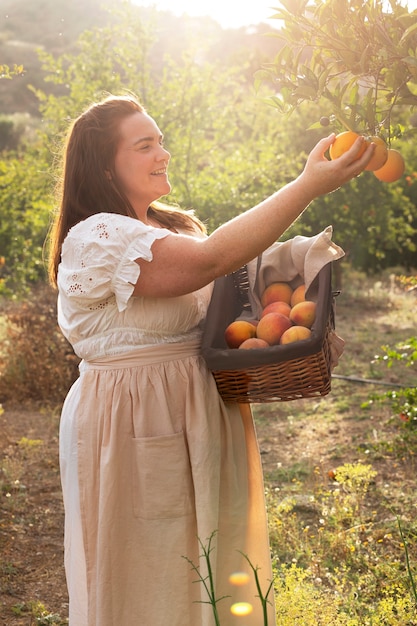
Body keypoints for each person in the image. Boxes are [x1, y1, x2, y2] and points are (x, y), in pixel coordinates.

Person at [48, 93, 374, 626]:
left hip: (201, 410)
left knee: (213, 565)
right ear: (105, 166)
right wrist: (308, 185)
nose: (163, 153)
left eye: (161, 140)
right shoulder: (97, 239)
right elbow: (212, 260)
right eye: (146, 145)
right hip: (133, 420)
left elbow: (226, 285)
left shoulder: (170, 228)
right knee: (150, 572)